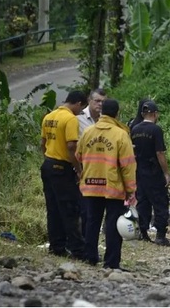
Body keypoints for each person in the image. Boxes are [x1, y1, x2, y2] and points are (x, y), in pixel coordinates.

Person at [76, 99, 137, 270]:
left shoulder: (88, 132)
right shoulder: (120, 134)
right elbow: (128, 164)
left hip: (90, 185)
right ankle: (111, 262)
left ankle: (90, 257)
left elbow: (78, 155)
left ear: (102, 113)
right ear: (117, 114)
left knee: (92, 222)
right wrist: (130, 189)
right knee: (113, 224)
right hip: (113, 187)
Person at [40, 90, 88, 260]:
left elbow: (43, 143)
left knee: (53, 208)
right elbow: (71, 147)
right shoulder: (70, 119)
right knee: (70, 209)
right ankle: (78, 250)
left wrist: (48, 159)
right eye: (81, 108)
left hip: (47, 165)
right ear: (78, 104)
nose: (80, 112)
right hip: (62, 167)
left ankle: (56, 246)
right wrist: (79, 169)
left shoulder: (50, 116)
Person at [130, 100, 170, 246]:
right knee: (160, 202)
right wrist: (166, 173)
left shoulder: (134, 129)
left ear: (142, 114)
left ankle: (143, 232)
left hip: (139, 171)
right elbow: (160, 153)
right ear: (155, 114)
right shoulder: (156, 130)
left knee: (142, 201)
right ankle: (160, 235)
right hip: (153, 171)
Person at [77, 88, 107, 236]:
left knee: (94, 211)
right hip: (80, 169)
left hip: (100, 172)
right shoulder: (78, 118)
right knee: (82, 208)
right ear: (89, 101)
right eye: (97, 101)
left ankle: (88, 241)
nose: (100, 104)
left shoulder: (105, 119)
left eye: (103, 102)